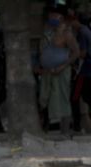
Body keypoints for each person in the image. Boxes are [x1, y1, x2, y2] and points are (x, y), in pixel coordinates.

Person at [37, 6, 79, 136]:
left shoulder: (67, 34)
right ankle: (42, 129)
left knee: (63, 100)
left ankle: (65, 131)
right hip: (47, 72)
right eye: (50, 16)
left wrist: (62, 66)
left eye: (53, 16)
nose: (51, 18)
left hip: (61, 71)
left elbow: (76, 53)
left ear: (60, 18)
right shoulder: (48, 32)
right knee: (44, 99)